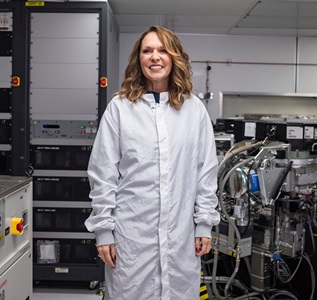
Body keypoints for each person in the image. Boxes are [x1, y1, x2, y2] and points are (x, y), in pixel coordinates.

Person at [84, 25, 220, 300]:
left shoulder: (194, 110)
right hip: (131, 237)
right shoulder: (120, 108)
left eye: (162, 50)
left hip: (180, 238)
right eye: (147, 51)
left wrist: (204, 223)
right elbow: (103, 175)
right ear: (139, 59)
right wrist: (104, 232)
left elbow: (205, 172)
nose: (155, 57)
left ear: (174, 58)